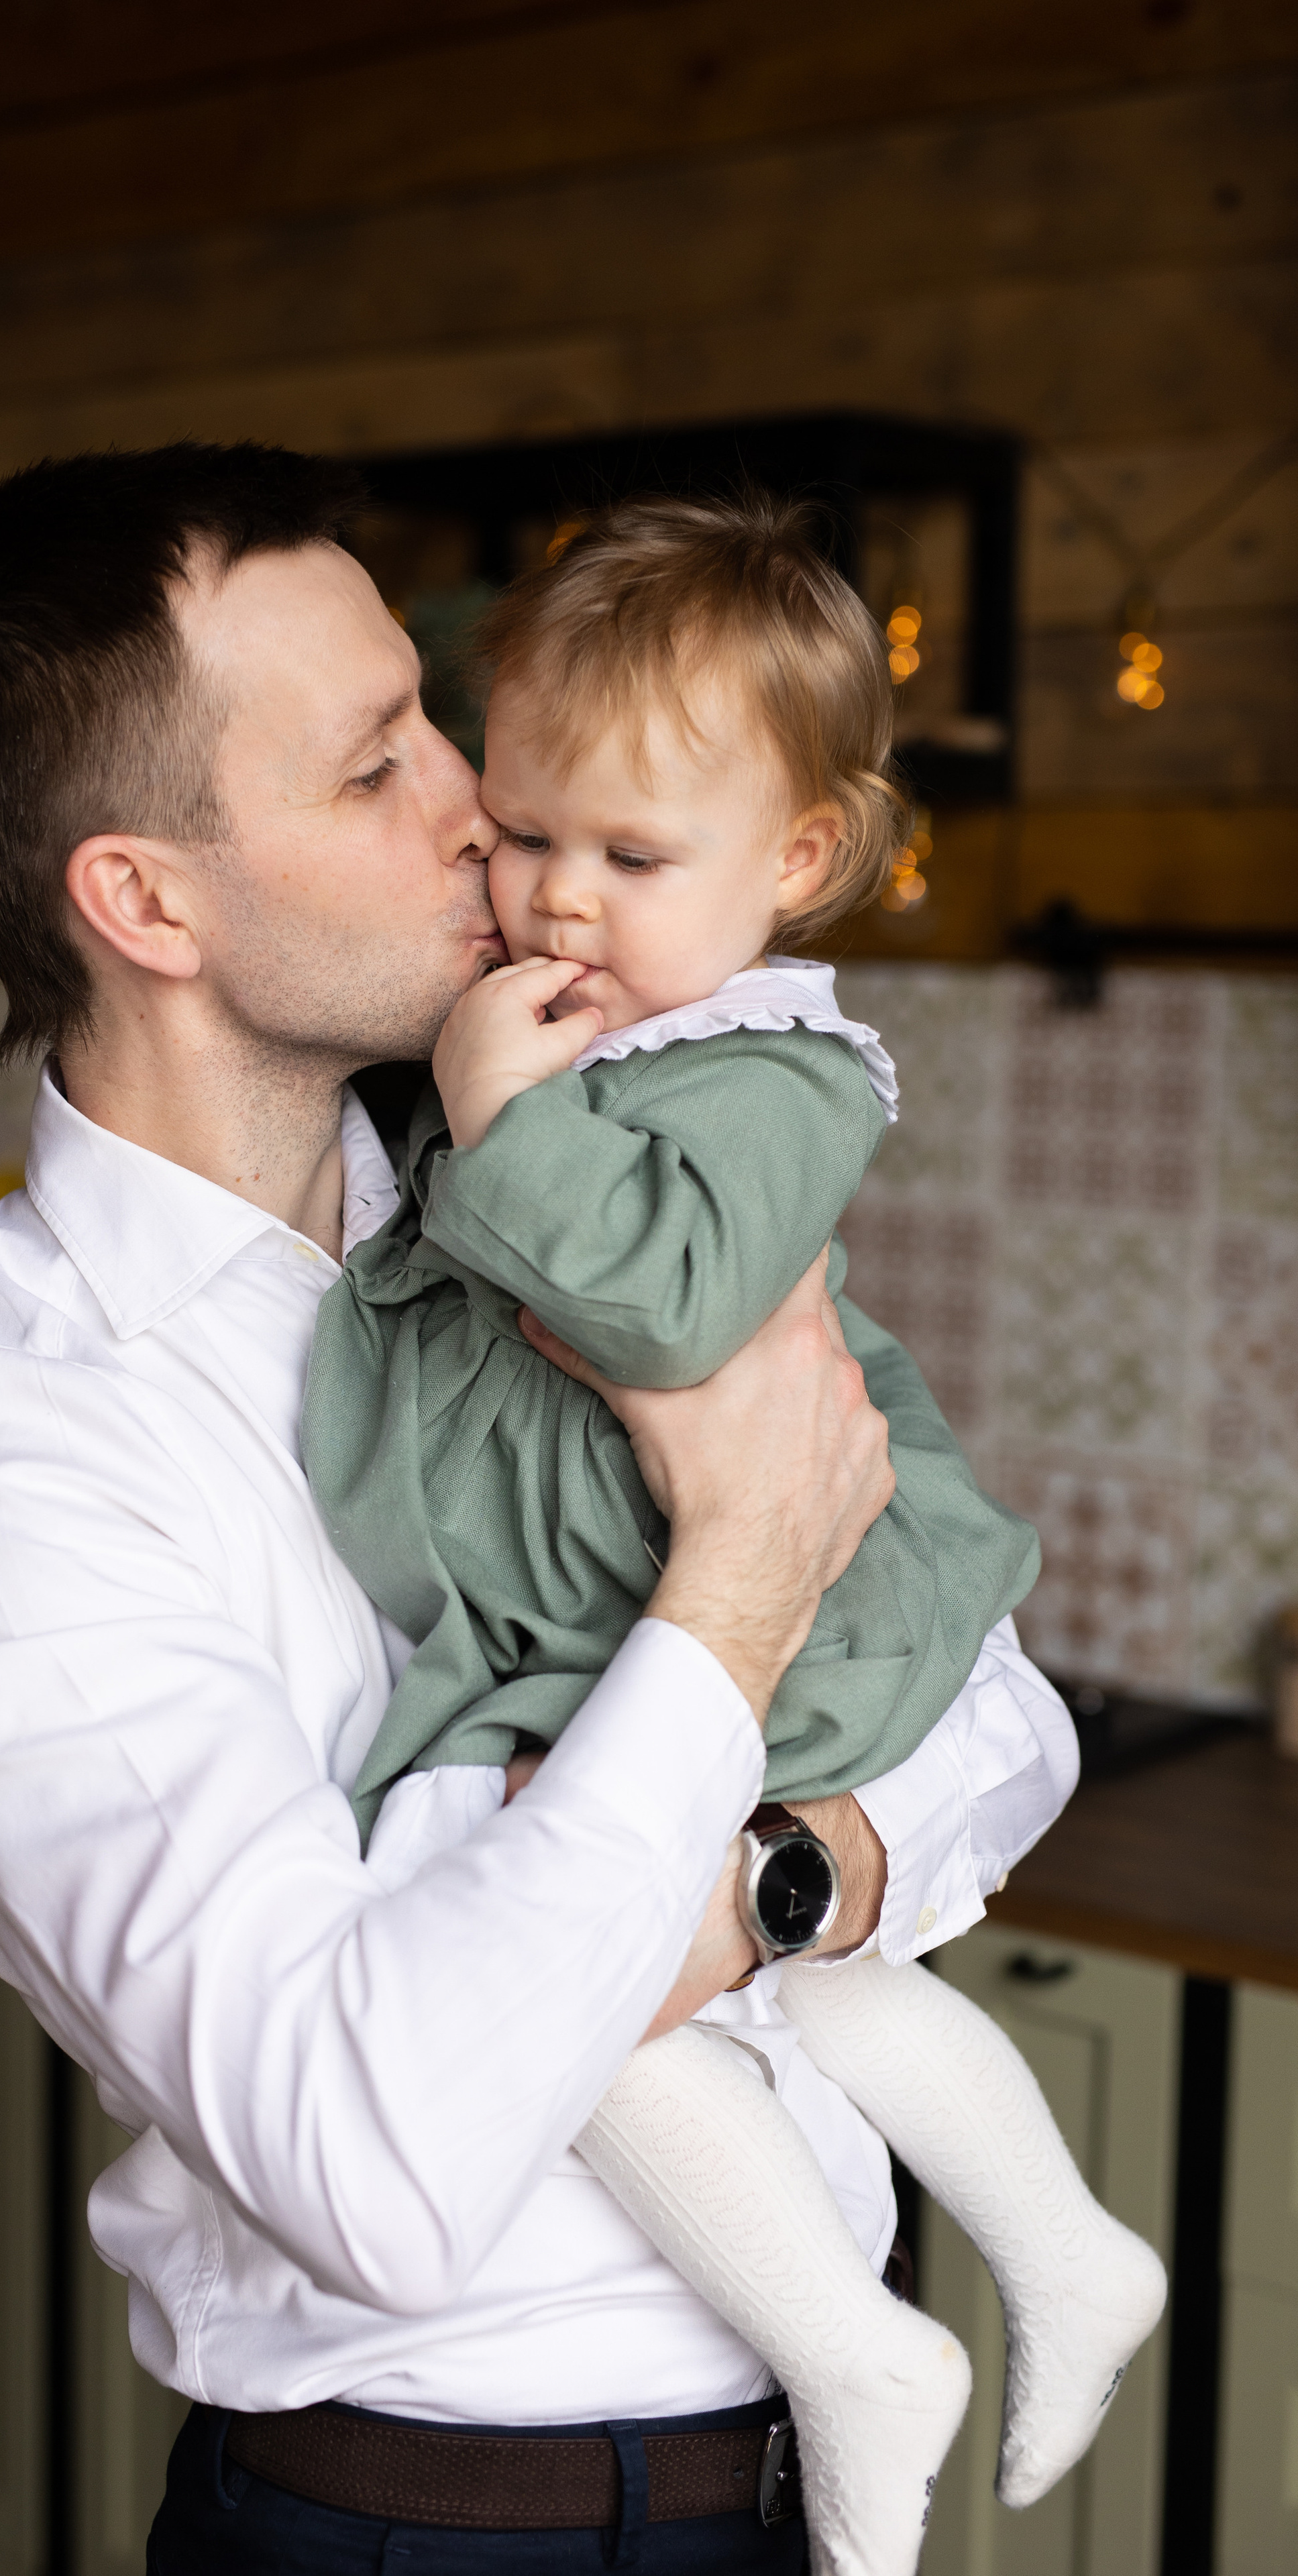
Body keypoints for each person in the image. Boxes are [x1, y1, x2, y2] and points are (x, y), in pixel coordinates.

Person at [0, 443, 1081, 2575]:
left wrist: (780, 1877)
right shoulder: (18, 1464)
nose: (478, 807)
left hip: (801, 2474)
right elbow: (382, 2159)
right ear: (146, 900)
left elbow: (996, 1702)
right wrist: (736, 1592)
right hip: (424, 2530)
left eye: (436, 716)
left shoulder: (571, 1168)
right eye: (373, 767)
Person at [303, 492, 1166, 2576]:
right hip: (623, 1608)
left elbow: (672, 1310)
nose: (559, 899)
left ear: (794, 866)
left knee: (585, 1971)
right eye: (525, 835)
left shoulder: (778, 1065)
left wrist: (498, 1119)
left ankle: (854, 2351)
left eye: (632, 856)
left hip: (804, 1594)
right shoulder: (554, 1026)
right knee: (748, 1967)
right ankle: (1061, 2252)